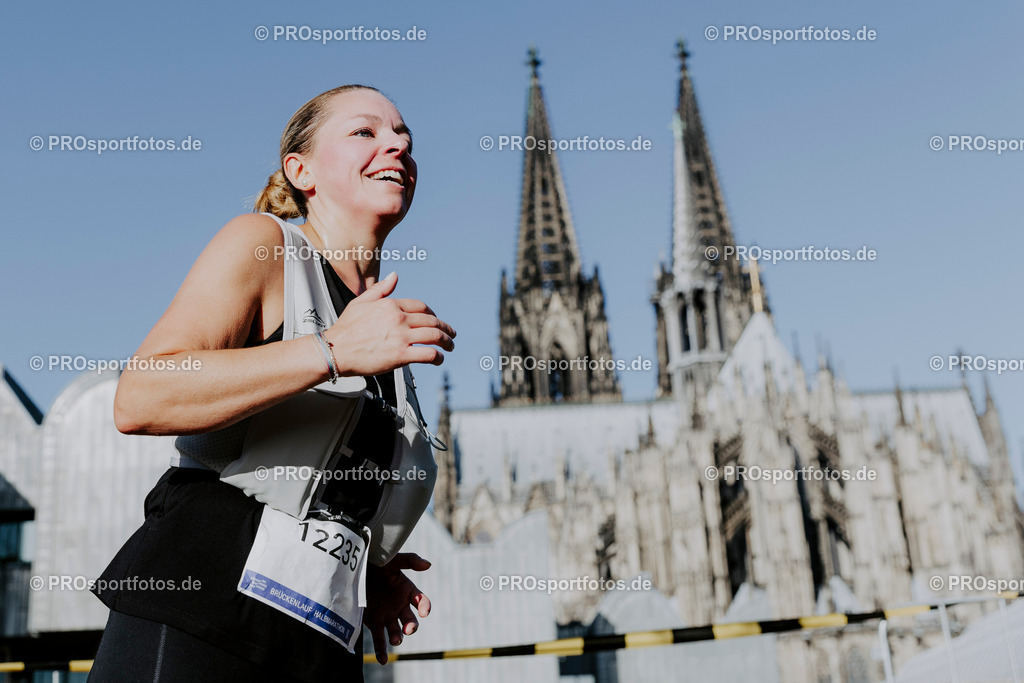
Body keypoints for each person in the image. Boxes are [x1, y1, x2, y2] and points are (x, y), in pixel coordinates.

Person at [88, 84, 455, 682]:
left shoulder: (380, 330)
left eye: (403, 136)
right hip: (201, 613)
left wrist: (370, 566)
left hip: (320, 644)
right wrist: (330, 350)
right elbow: (141, 396)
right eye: (366, 132)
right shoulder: (266, 246)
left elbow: (307, 479)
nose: (398, 144)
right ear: (300, 170)